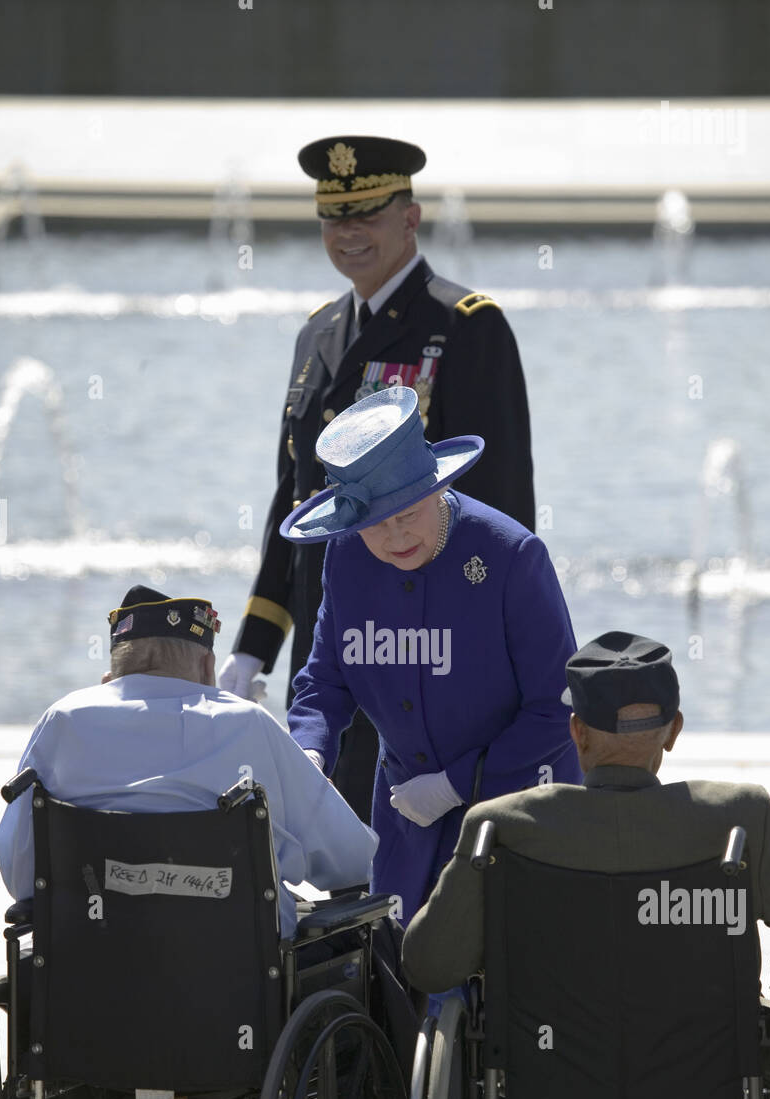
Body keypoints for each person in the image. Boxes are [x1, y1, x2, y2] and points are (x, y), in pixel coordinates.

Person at [402, 630, 770, 1099]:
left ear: (577, 733)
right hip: (706, 1074)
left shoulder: (502, 827)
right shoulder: (737, 818)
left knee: (553, 1035)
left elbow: (429, 963)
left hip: (558, 1076)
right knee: (732, 1029)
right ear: (673, 731)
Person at [219, 134, 536, 818]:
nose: (349, 233)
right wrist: (253, 648)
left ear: (410, 217)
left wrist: (483, 658)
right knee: (337, 867)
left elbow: (500, 505)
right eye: (335, 217)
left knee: (423, 874)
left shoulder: (464, 327)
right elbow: (298, 500)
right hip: (332, 649)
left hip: (428, 652)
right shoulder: (317, 335)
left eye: (368, 213)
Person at [282, 385, 580, 937]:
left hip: (518, 812)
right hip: (405, 819)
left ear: (436, 487)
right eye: (375, 524)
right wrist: (308, 750)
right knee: (402, 982)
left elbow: (557, 711)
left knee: (503, 987)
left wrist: (455, 784)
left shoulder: (511, 557)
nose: (395, 537)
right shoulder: (346, 558)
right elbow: (325, 681)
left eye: (409, 514)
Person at [0, 585, 377, 939]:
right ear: (208, 668)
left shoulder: (63, 720)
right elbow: (351, 858)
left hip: (87, 962)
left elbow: (19, 866)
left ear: (109, 678)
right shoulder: (248, 724)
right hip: (239, 972)